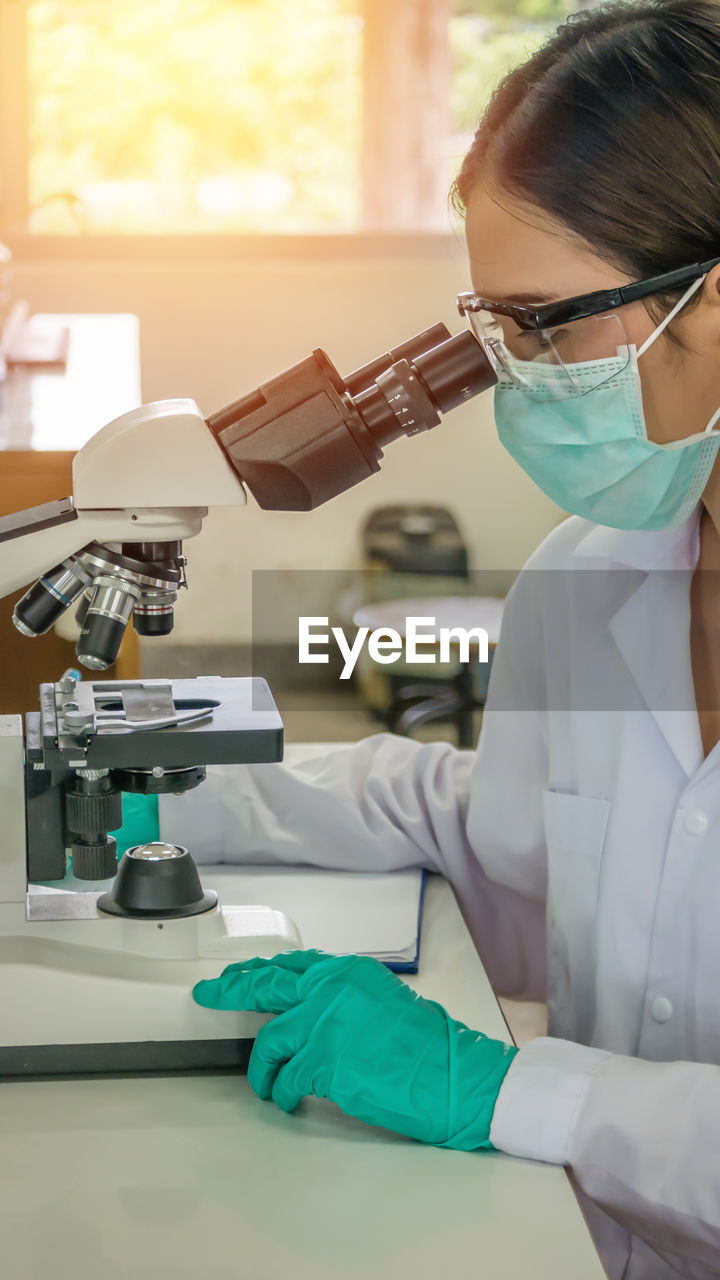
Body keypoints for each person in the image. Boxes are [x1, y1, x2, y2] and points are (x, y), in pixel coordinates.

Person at [186, 3, 720, 1275]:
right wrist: (167, 779)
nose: (524, 377)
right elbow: (489, 822)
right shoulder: (587, 584)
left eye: (551, 326)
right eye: (497, 331)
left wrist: (510, 1090)